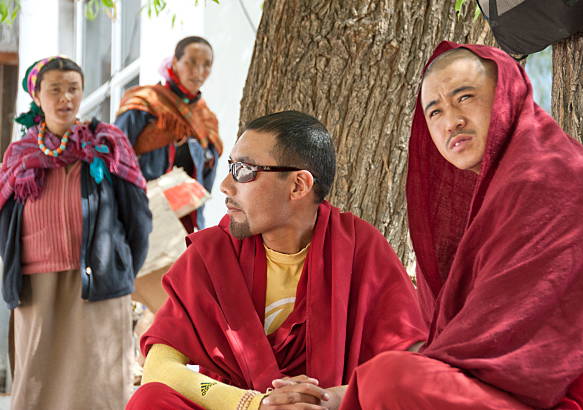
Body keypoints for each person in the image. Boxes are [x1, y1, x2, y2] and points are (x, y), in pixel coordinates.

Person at [338, 42, 583, 409]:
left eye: (464, 97)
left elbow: (511, 342)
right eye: (434, 112)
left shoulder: (551, 177)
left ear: (507, 95)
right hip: (508, 380)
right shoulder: (492, 198)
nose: (451, 121)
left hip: (578, 383)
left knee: (391, 379)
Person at [126, 110, 427, 410]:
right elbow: (160, 368)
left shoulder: (359, 249)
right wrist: (255, 404)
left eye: (245, 170)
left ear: (298, 185)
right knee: (150, 400)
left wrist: (330, 399)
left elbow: (413, 368)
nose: (226, 186)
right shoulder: (215, 254)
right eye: (232, 167)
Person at [0, 56, 152, 409]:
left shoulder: (106, 142)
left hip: (98, 281)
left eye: (73, 88)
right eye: (55, 89)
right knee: (37, 381)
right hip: (36, 283)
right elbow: (5, 220)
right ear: (37, 96)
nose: (65, 97)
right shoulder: (19, 153)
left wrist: (122, 266)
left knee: (98, 382)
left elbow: (137, 214)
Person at [115, 35, 222, 233]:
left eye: (206, 65)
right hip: (142, 213)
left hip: (187, 220)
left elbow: (206, 181)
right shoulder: (144, 101)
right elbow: (115, 155)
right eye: (191, 62)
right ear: (175, 62)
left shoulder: (207, 119)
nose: (198, 72)